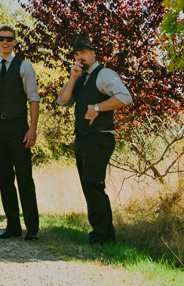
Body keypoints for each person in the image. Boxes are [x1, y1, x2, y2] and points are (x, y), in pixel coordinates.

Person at [56, 34, 133, 245]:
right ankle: (104, 235)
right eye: (76, 54)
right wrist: (72, 78)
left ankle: (102, 236)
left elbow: (125, 97)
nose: (80, 57)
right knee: (89, 186)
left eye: (83, 53)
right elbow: (62, 102)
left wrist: (98, 108)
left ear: (93, 53)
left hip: (100, 138)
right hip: (82, 140)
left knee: (93, 183)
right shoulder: (79, 78)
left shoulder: (104, 74)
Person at [0, 25, 40, 240]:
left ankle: (32, 228)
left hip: (19, 127)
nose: (5, 42)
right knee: (4, 177)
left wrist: (32, 128)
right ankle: (13, 226)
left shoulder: (24, 67)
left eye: (9, 39)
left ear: (15, 42)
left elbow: (33, 99)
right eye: (1, 38)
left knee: (24, 177)